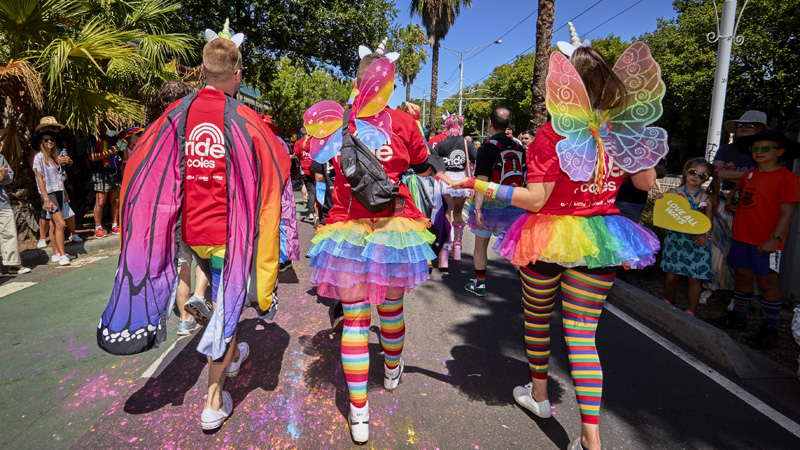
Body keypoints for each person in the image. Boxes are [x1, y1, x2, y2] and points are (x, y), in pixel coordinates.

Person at [453, 42, 664, 450]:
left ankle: (540, 396)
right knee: (583, 335)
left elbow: (534, 200)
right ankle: (591, 439)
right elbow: (645, 184)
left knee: (537, 317)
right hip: (601, 239)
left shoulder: (552, 135)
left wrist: (475, 183)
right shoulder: (620, 129)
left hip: (547, 237)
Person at [97, 30, 290, 431]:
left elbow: (141, 163)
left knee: (218, 297)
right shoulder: (246, 118)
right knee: (228, 308)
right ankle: (213, 400)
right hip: (229, 236)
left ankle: (231, 356)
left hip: (191, 232)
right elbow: (278, 163)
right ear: (238, 73)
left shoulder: (175, 114)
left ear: (202, 71)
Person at [305, 47, 446, 445]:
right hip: (392, 229)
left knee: (354, 320)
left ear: (356, 83)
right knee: (391, 308)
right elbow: (423, 167)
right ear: (390, 85)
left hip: (346, 228)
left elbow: (317, 165)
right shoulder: (403, 122)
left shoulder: (339, 123)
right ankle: (392, 369)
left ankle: (359, 412)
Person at [717, 129, 799, 349]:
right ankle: (738, 319)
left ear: (780, 152)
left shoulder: (787, 178)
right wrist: (730, 201)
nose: (759, 152)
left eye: (766, 148)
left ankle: (769, 330)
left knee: (767, 282)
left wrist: (775, 239)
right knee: (742, 276)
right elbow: (739, 190)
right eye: (756, 148)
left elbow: (787, 213)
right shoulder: (750, 174)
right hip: (742, 236)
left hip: (766, 241)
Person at [705, 110, 769, 296]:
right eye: (740, 125)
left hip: (754, 206)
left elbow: (766, 176)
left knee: (747, 251)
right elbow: (716, 171)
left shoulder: (763, 151)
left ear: (760, 129)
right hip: (724, 201)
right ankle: (713, 287)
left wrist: (731, 174)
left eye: (749, 125)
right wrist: (750, 175)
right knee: (717, 247)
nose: (743, 128)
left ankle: (743, 295)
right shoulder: (726, 148)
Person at [463, 107, 526, 296]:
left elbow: (481, 181)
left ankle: (480, 284)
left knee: (481, 245)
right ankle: (529, 294)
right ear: (508, 126)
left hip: (490, 203)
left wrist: (478, 208)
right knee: (515, 250)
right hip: (514, 202)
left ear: (490, 123)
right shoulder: (518, 146)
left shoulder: (487, 148)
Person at [660, 158, 719, 316]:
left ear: (707, 179)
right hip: (675, 240)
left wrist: (706, 235)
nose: (696, 177)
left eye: (702, 175)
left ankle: (692, 310)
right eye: (693, 172)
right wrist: (662, 204)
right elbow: (662, 215)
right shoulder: (672, 193)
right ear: (686, 172)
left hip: (696, 242)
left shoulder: (707, 198)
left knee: (694, 278)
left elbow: (709, 221)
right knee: (671, 276)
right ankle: (669, 300)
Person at [434, 114, 476, 266]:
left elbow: (435, 163)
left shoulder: (441, 144)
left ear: (447, 127)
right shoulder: (467, 144)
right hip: (461, 179)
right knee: (458, 213)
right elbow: (474, 160)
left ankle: (445, 248)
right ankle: (457, 248)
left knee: (447, 212)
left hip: (446, 179)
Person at [32, 129, 75, 266]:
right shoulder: (39, 157)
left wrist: (65, 194)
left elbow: (60, 177)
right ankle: (62, 255)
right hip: (49, 194)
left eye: (52, 139)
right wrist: (45, 199)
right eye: (46, 140)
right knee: (61, 224)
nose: (49, 141)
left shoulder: (54, 156)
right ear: (41, 143)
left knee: (54, 224)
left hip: (59, 192)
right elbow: (39, 180)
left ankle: (56, 253)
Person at [87, 126, 122, 238]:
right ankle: (98, 228)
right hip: (100, 174)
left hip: (115, 173)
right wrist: (108, 152)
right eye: (109, 126)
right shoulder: (94, 139)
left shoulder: (116, 139)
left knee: (116, 200)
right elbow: (92, 157)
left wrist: (124, 145)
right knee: (100, 201)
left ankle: (115, 225)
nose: (112, 129)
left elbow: (123, 154)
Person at [0, 152, 31, 275]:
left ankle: (13, 265)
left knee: (9, 233)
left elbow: (10, 177)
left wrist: (4, 175)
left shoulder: (0, 157)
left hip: (2, 203)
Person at [293, 127, 315, 220]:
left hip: (304, 168)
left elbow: (297, 153)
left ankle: (306, 201)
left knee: (307, 187)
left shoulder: (298, 142)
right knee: (313, 191)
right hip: (313, 169)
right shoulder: (313, 141)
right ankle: (312, 210)